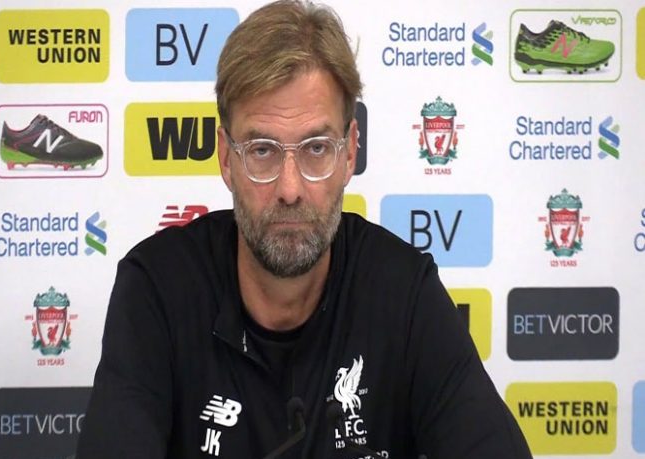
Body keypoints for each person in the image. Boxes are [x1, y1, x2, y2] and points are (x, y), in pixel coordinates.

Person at [77, 1, 532, 458]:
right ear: (226, 158)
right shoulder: (158, 287)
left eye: (316, 148)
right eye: (262, 150)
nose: (290, 189)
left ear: (349, 154)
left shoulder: (403, 292)